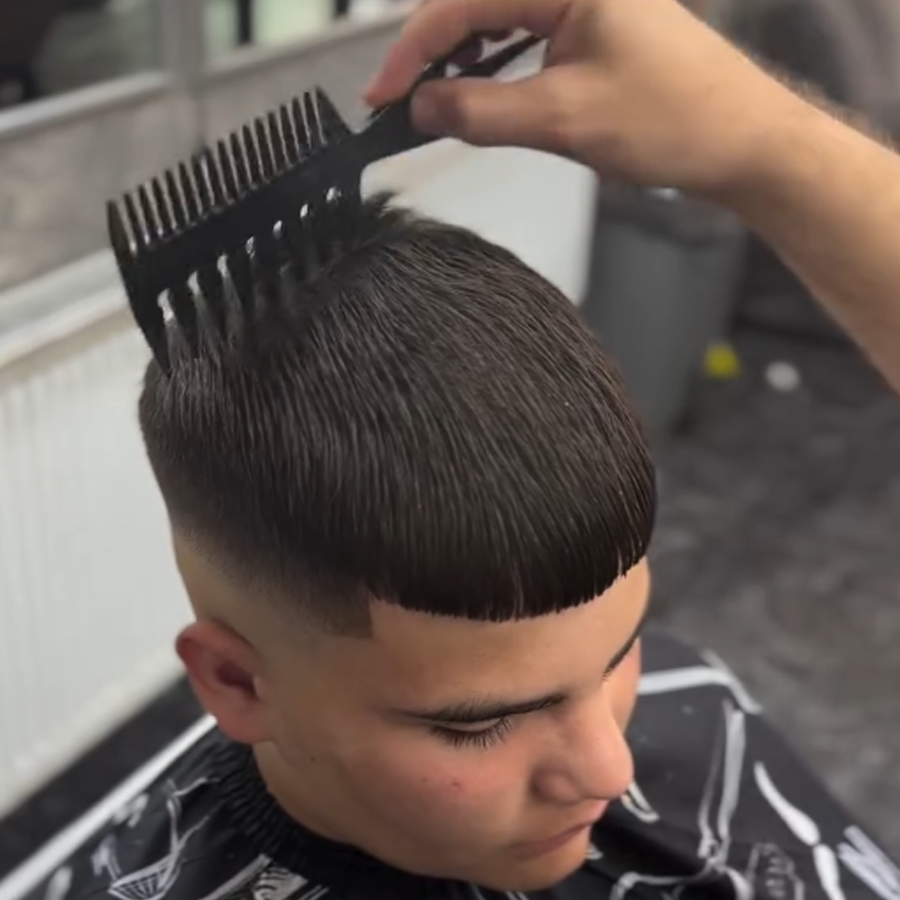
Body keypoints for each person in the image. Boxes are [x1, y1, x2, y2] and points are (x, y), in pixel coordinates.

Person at [16, 2, 900, 900]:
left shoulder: (690, 701)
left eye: (621, 647)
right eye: (480, 727)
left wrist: (766, 145)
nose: (608, 765)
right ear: (238, 683)